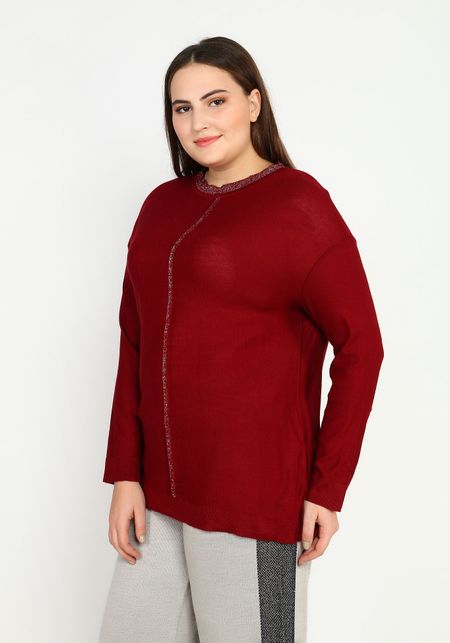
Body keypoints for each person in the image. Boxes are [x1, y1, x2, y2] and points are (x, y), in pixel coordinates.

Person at [99, 36, 384, 643]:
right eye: (182, 108)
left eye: (216, 101)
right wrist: (125, 473)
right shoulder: (161, 207)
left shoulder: (300, 205)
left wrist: (327, 488)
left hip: (254, 502)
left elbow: (362, 348)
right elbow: (133, 341)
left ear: (253, 104)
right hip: (157, 499)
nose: (198, 122)